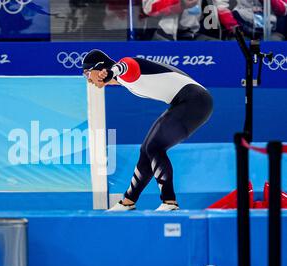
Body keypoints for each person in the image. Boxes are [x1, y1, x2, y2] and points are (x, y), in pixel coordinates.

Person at [82, 49, 213, 211]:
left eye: (87, 73)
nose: (88, 79)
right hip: (188, 102)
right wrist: (111, 73)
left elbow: (127, 65)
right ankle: (128, 201)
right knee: (146, 150)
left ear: (99, 67)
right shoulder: (124, 81)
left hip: (195, 100)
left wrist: (111, 71)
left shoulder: (125, 72)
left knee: (154, 147)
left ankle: (169, 201)